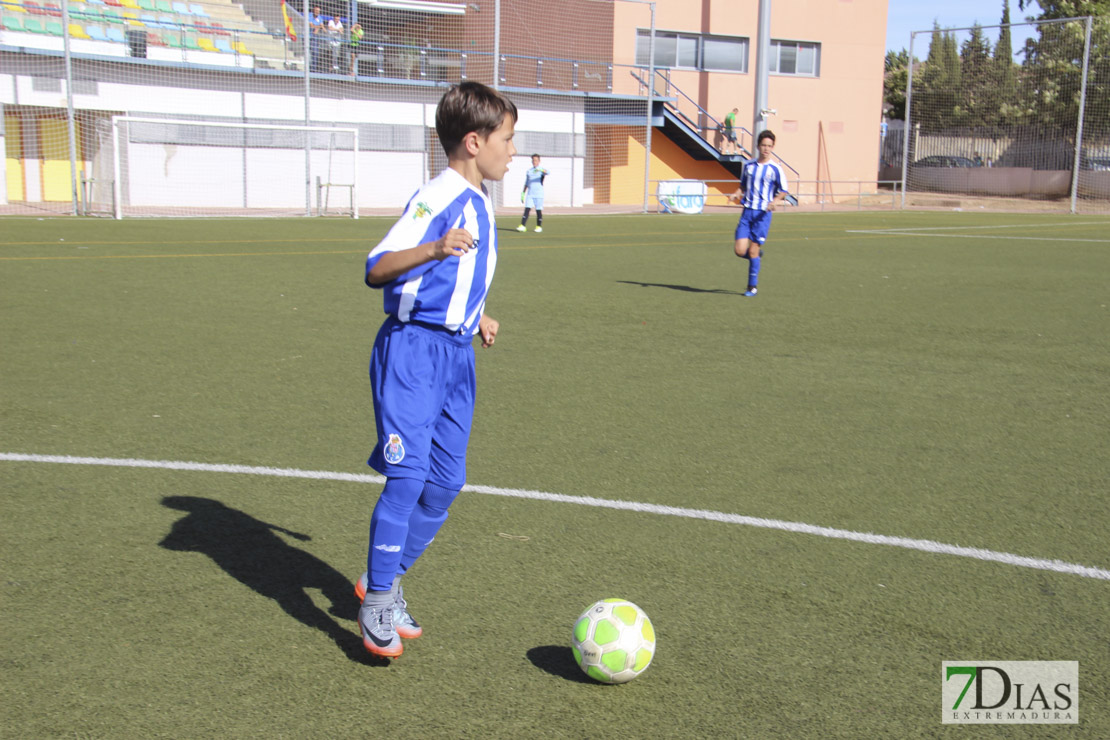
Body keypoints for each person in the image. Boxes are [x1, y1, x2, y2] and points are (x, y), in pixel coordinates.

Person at [357, 81, 518, 658]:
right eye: (507, 139)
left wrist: (475, 316)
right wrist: (432, 247)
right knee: (407, 477)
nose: (511, 150)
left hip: (455, 356)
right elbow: (377, 267)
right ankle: (377, 598)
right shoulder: (440, 196)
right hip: (413, 355)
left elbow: (453, 280)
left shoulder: (480, 203)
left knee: (446, 482)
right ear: (474, 142)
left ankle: (386, 577)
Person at [729, 130, 789, 297]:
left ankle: (752, 287)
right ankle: (756, 257)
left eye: (769, 146)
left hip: (762, 215)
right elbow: (743, 186)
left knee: (753, 251)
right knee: (740, 250)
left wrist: (775, 201)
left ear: (772, 147)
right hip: (747, 212)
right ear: (758, 146)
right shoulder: (748, 165)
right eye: (763, 145)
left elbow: (783, 190)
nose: (766, 149)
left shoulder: (775, 168)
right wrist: (736, 193)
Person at [516, 153, 549, 232]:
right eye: (533, 160)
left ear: (539, 161)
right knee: (527, 209)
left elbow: (548, 172)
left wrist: (540, 169)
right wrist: (523, 193)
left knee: (538, 210)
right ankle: (523, 225)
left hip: (539, 194)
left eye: (536, 160)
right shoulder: (529, 171)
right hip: (530, 194)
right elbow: (527, 182)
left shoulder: (541, 170)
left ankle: (538, 226)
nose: (535, 162)